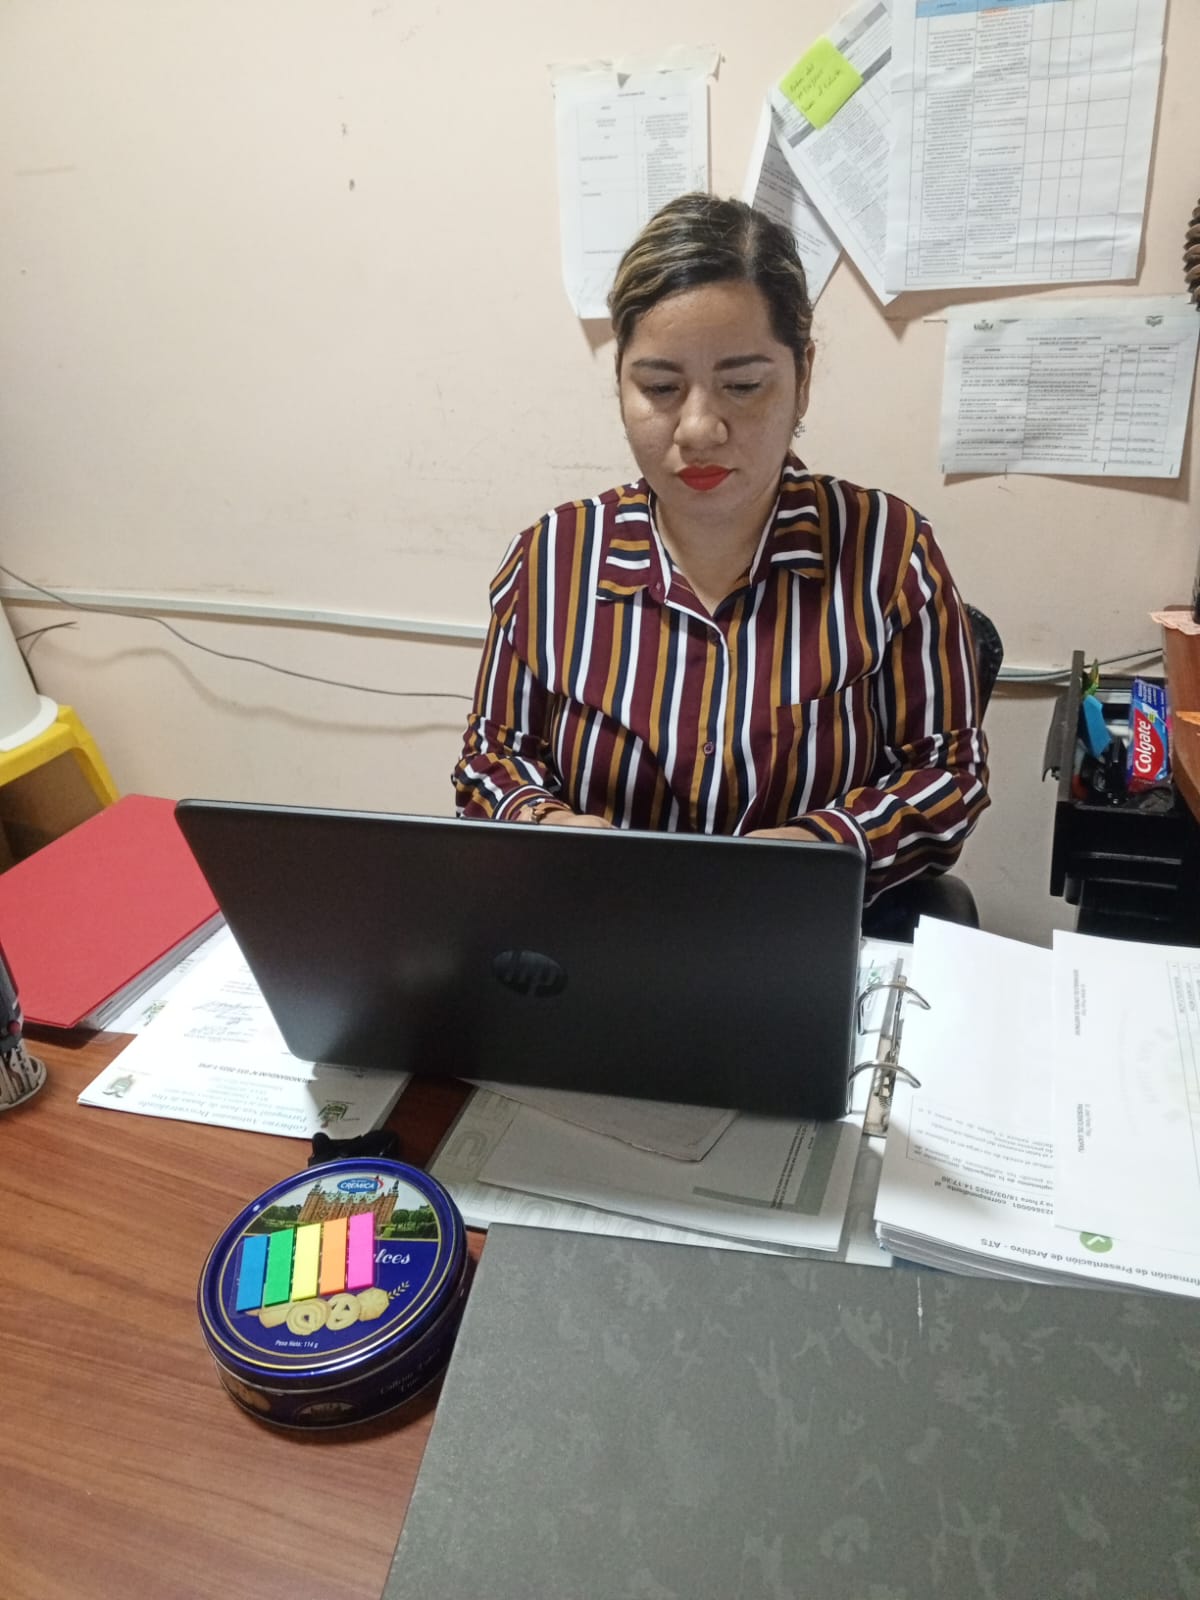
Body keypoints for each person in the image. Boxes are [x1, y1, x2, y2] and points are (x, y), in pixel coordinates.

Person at [452, 193, 988, 906]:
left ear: (802, 379)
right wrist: (545, 825)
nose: (699, 428)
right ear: (620, 384)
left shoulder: (889, 551)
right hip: (595, 928)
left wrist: (821, 849)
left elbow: (949, 773)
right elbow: (492, 760)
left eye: (742, 386)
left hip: (796, 933)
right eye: (660, 387)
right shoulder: (553, 559)